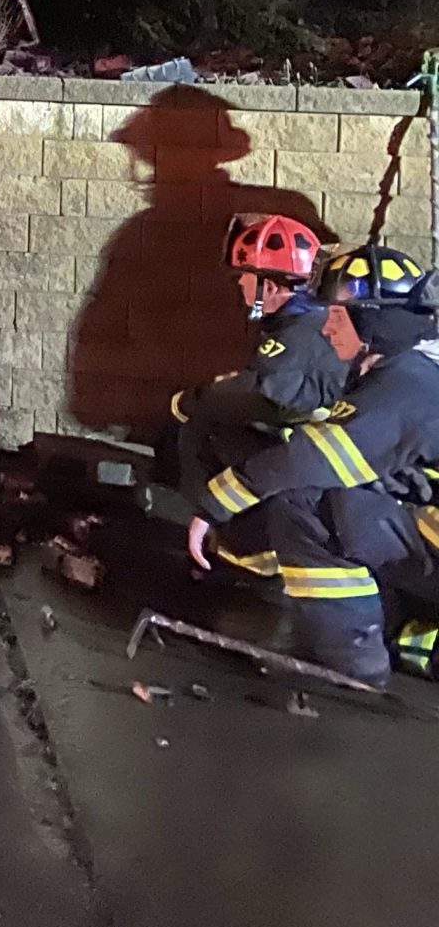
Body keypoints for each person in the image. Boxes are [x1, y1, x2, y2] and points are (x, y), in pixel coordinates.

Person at [188, 246, 439, 685]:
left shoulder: (408, 382)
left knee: (307, 509)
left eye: (338, 315)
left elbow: (315, 457)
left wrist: (213, 505)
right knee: (361, 501)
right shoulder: (414, 367)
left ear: (374, 323)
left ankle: (351, 665)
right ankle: (404, 634)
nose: (326, 326)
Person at [169, 214, 353, 502]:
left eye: (245, 275)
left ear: (269, 287)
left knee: (201, 430)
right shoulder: (318, 322)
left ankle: (211, 520)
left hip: (310, 477)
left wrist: (194, 400)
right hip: (325, 461)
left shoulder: (295, 336)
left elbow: (265, 397)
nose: (240, 283)